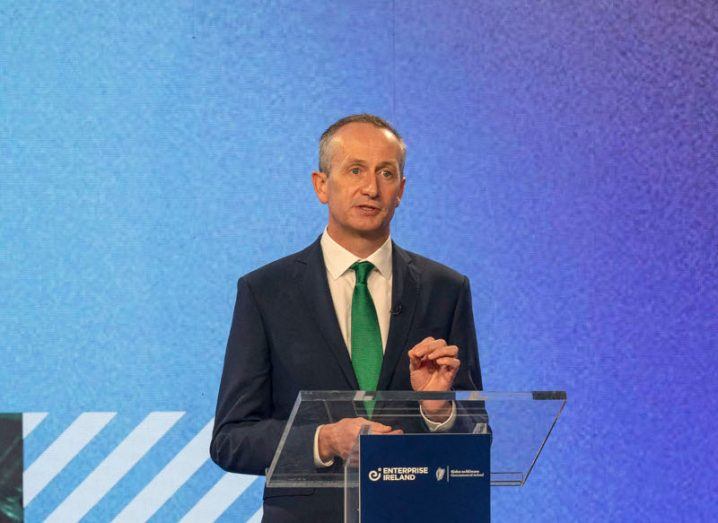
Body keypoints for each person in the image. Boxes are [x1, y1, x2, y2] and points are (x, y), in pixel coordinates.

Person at [210, 114, 483, 522]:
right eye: (355, 169)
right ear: (322, 185)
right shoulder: (265, 291)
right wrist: (324, 441)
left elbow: (477, 438)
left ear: (401, 191)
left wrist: (437, 411)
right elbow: (231, 439)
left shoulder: (445, 289)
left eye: (386, 173)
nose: (370, 188)